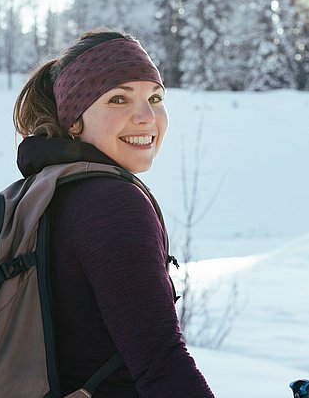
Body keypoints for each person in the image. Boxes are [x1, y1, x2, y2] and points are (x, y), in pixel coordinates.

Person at [13, 28, 214, 397]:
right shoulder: (112, 203)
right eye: (118, 99)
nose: (146, 117)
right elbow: (161, 363)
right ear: (74, 121)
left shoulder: (47, 192)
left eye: (155, 98)